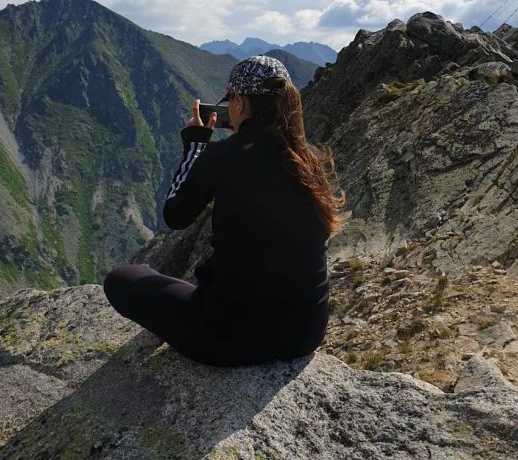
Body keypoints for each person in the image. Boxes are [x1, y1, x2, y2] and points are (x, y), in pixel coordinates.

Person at [103, 54, 344, 366]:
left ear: (240, 103)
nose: (228, 107)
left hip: (230, 339)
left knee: (124, 279)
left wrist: (195, 146)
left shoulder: (222, 157)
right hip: (305, 335)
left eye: (229, 99)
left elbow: (175, 216)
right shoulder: (308, 160)